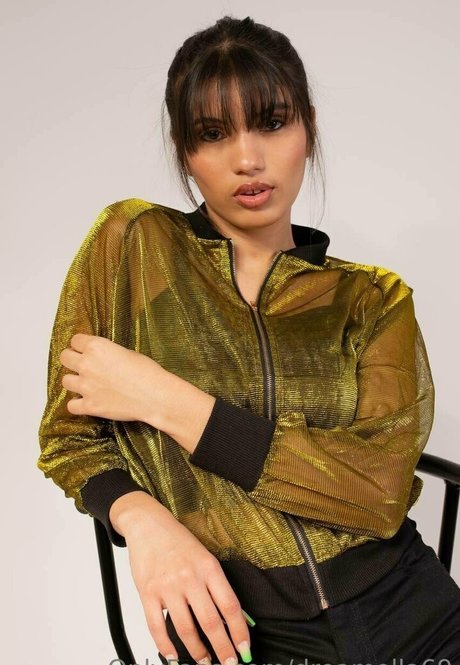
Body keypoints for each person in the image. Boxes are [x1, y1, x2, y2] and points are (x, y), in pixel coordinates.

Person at [37, 15, 460, 665]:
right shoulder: (134, 248)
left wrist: (165, 400)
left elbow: (379, 492)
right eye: (213, 133)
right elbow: (70, 437)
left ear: (307, 129)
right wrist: (144, 521)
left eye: (271, 122)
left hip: (415, 612)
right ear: (184, 152)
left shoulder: (372, 299)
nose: (247, 159)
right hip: (238, 629)